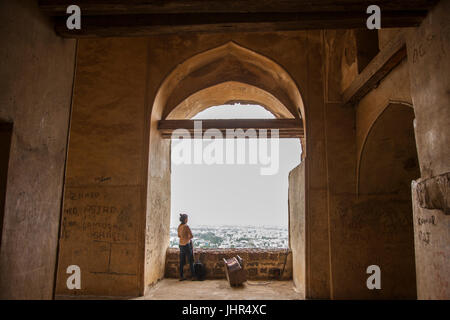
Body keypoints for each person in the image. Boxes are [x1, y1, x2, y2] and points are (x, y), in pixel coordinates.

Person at [178, 213, 195, 281]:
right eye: (187, 218)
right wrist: (187, 238)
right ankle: (193, 276)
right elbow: (191, 236)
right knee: (191, 261)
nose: (187, 220)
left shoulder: (179, 226)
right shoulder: (186, 226)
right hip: (186, 245)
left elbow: (179, 236)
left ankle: (181, 276)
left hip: (181, 245)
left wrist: (183, 237)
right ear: (185, 219)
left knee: (182, 261)